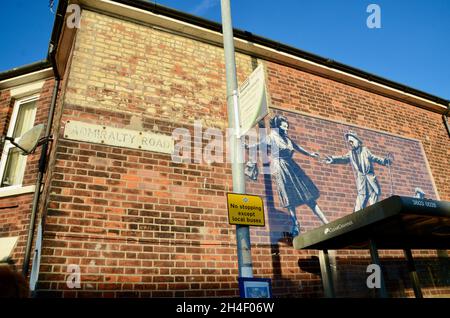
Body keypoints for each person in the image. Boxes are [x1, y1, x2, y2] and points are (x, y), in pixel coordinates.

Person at [247, 115, 328, 236]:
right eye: (284, 126)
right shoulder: (272, 137)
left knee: (307, 194)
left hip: (292, 166)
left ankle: (325, 221)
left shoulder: (287, 138)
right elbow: (260, 144)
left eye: (287, 126)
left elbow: (297, 147)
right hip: (280, 167)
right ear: (278, 126)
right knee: (288, 195)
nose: (287, 128)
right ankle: (295, 223)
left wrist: (310, 154)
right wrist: (249, 146)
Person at [324, 131, 392, 212]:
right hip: (361, 182)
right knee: (358, 206)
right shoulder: (351, 153)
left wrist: (385, 161)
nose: (350, 144)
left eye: (352, 141)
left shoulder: (365, 150)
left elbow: (375, 158)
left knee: (374, 204)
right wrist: (333, 159)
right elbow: (343, 158)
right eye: (349, 142)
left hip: (371, 181)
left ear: (357, 141)